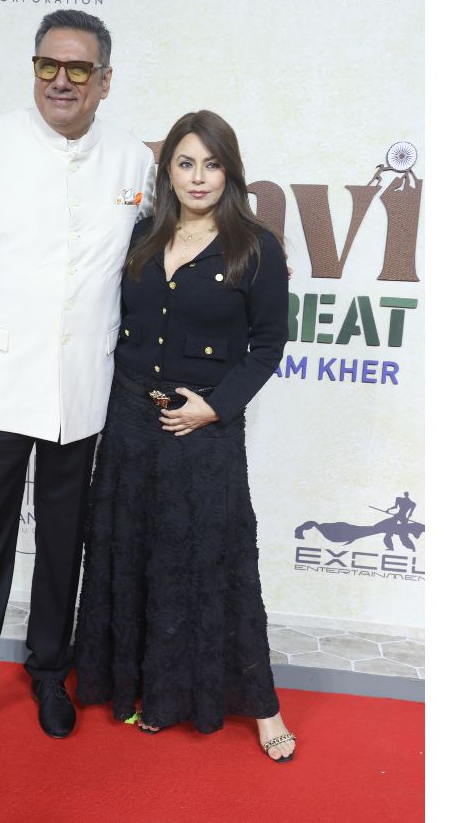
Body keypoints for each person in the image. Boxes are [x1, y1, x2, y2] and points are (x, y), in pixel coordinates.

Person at [0, 10, 156, 758]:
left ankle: (51, 672)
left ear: (105, 81)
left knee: (63, 543)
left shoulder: (133, 160)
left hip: (84, 389)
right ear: (33, 69)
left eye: (78, 69)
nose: (61, 80)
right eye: (47, 65)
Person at [74, 110, 297, 762]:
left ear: (230, 172)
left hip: (203, 431)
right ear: (167, 170)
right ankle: (141, 689)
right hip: (129, 422)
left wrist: (215, 408)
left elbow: (268, 346)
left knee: (215, 563)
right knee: (132, 553)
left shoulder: (256, 247)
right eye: (186, 163)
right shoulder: (141, 235)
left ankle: (264, 710)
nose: (199, 177)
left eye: (212, 164)